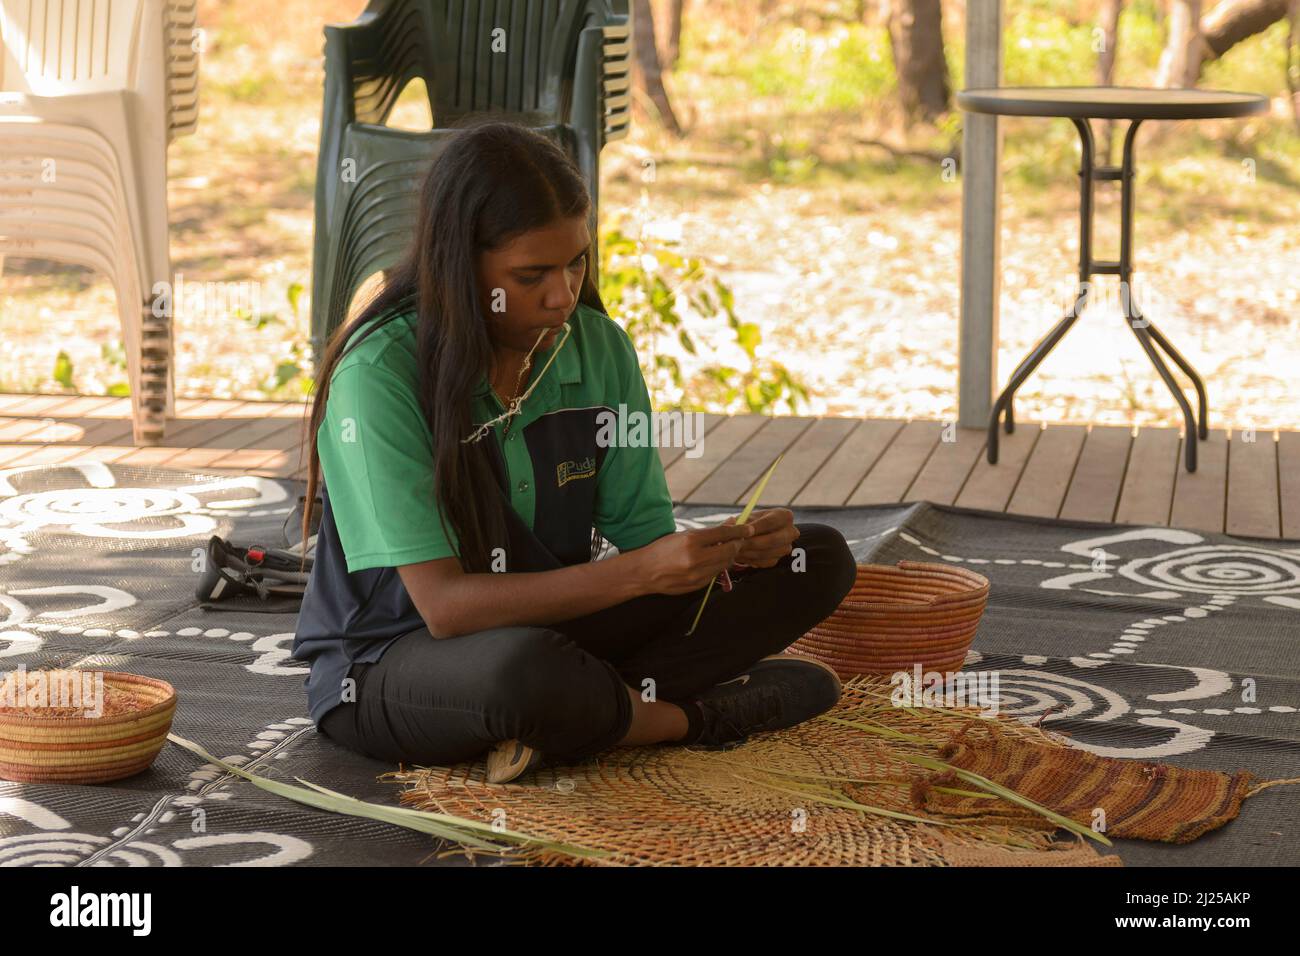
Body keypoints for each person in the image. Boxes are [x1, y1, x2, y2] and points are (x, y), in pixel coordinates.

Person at [291, 119, 857, 784]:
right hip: (396, 660)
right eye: (531, 275)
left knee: (813, 559)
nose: (562, 296)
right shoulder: (379, 375)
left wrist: (720, 554)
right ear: (458, 262)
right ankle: (688, 719)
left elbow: (644, 540)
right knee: (520, 675)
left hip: (557, 632)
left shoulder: (598, 349)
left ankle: (581, 710)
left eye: (575, 263)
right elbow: (444, 609)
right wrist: (642, 574)